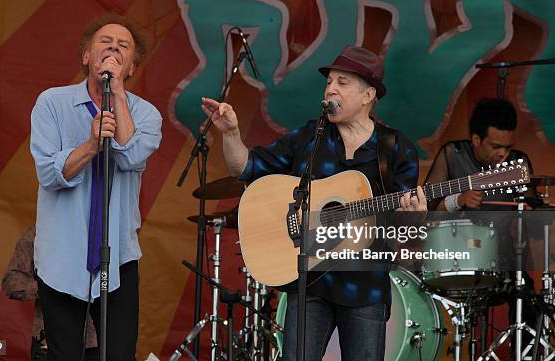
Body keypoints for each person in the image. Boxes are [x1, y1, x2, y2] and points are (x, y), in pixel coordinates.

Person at [202, 45, 427, 361]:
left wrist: (414, 218)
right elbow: (246, 167)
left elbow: (403, 236)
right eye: (330, 81)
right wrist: (231, 134)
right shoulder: (311, 137)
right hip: (310, 282)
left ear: (368, 96)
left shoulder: (395, 148)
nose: (331, 88)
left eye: (343, 83)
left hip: (364, 286)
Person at [30, 14, 162, 361]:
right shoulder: (51, 104)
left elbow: (131, 156)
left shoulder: (147, 115)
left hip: (118, 256)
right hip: (61, 255)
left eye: (124, 46)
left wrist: (116, 92)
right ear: (86, 56)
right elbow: (48, 172)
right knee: (65, 355)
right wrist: (90, 145)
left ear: (131, 67)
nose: (113, 49)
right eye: (105, 41)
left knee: (118, 354)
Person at [423, 97, 538, 351]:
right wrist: (457, 200)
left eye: (508, 148)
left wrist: (530, 210)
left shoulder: (518, 163)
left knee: (530, 303)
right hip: (458, 259)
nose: (503, 154)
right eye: (496, 146)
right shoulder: (453, 154)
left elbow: (535, 215)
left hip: (505, 263)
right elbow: (427, 209)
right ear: (476, 139)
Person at [1, 226, 98, 361]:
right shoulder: (37, 234)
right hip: (50, 339)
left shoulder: (101, 233)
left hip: (95, 341)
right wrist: (50, 287)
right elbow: (11, 281)